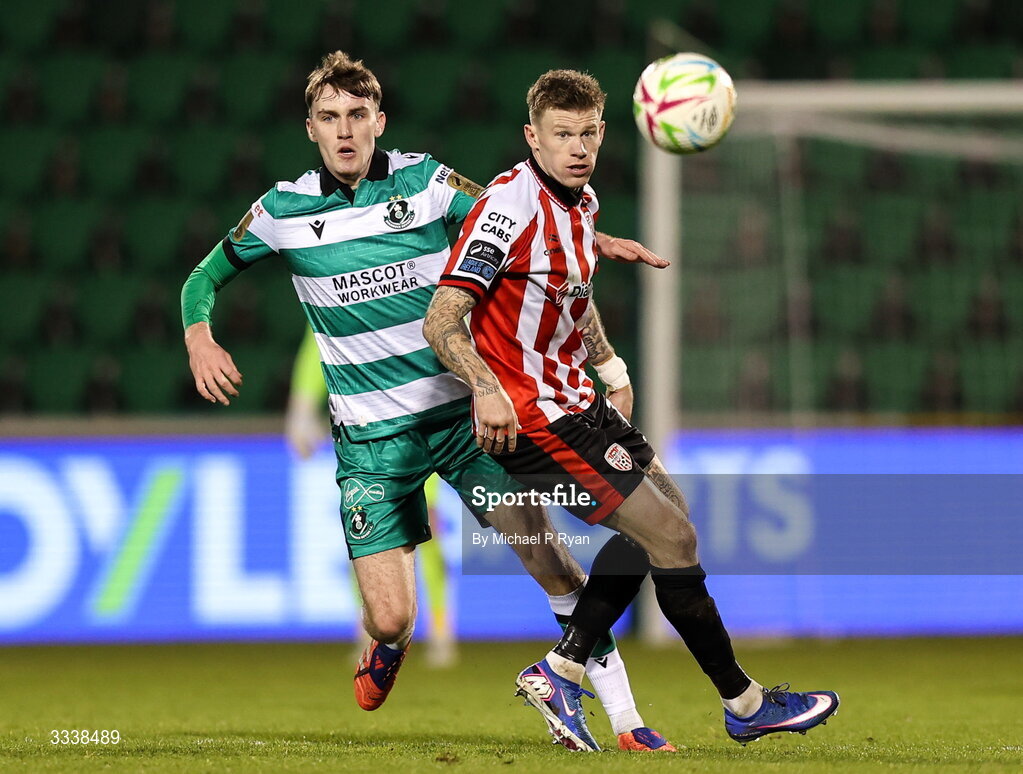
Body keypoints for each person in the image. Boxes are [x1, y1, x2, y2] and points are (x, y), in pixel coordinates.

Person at [180, 51, 675, 752]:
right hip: (371, 444)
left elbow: (526, 225)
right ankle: (390, 643)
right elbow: (200, 279)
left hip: (466, 422)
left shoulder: (429, 182)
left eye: (357, 116)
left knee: (552, 563)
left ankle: (624, 720)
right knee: (388, 618)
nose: (345, 131)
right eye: (330, 118)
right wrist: (199, 335)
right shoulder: (281, 211)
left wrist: (585, 243)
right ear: (311, 129)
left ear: (379, 122)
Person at [424, 69, 839, 752]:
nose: (577, 146)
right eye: (561, 134)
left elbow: (572, 294)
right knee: (669, 539)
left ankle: (561, 666)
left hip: (579, 399)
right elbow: (442, 319)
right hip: (536, 416)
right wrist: (485, 386)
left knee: (670, 520)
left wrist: (609, 365)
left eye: (587, 132)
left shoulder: (581, 202)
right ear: (533, 137)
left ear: (604, 132)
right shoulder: (506, 208)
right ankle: (746, 703)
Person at [286, 325, 456, 667]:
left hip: (420, 416)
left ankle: (440, 626)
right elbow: (317, 341)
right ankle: (367, 629)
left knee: (428, 524)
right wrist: (301, 408)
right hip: (364, 424)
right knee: (365, 525)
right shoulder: (334, 284)